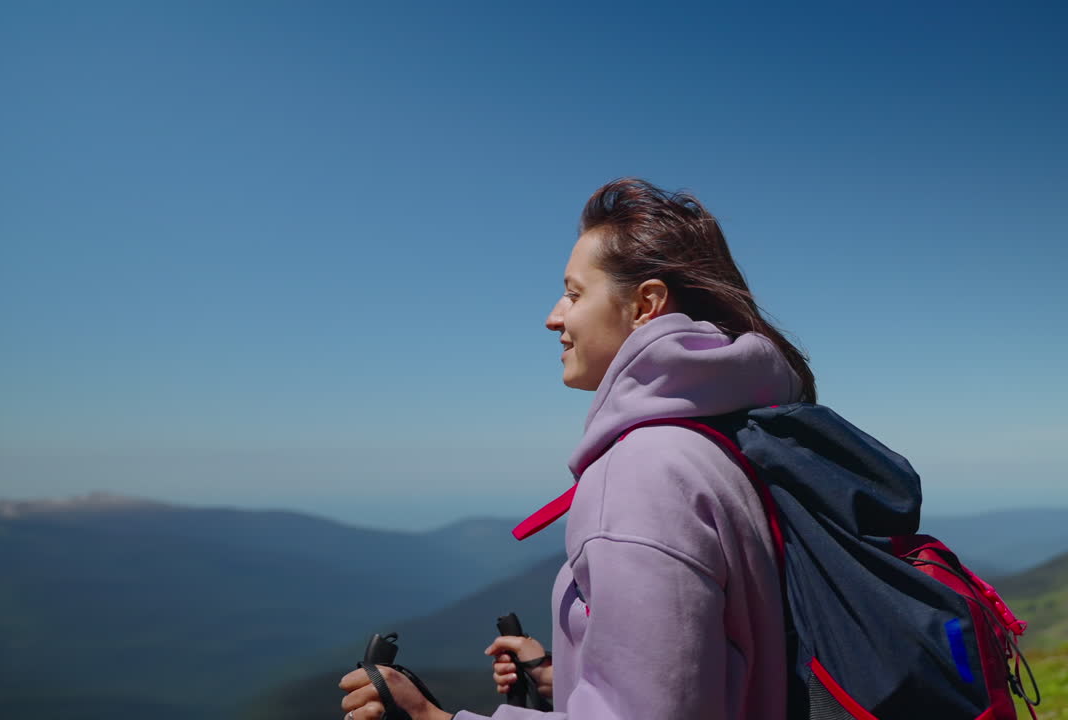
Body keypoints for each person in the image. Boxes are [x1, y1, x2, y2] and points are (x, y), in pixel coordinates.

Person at [340, 177, 817, 720]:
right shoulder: (740, 435)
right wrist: (565, 673)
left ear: (646, 304)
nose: (554, 317)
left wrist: (432, 719)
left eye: (573, 293)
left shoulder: (645, 473)